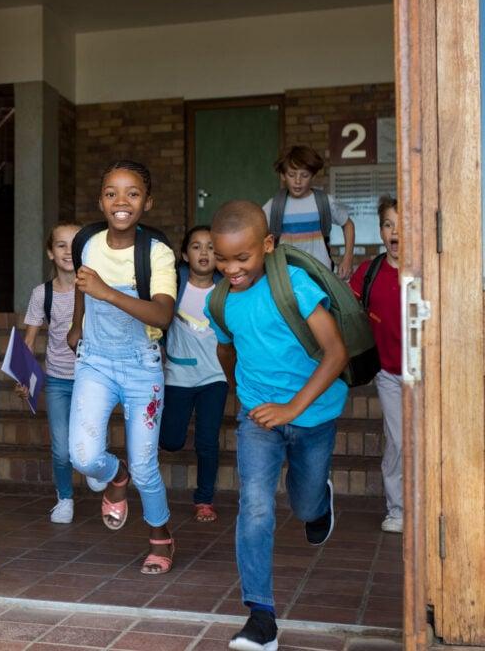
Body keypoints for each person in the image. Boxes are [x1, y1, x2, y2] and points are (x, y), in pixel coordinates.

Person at [205, 200, 349, 651]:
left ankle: (318, 504)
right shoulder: (220, 302)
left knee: (303, 507)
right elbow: (226, 352)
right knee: (256, 508)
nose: (231, 268)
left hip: (314, 416)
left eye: (242, 258)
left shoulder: (296, 287)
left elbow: (336, 353)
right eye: (221, 258)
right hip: (258, 422)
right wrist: (246, 397)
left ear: (267, 245)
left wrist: (290, 409)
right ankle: (261, 617)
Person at [66, 160, 177, 575]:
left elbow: (162, 316)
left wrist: (106, 292)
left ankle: (160, 535)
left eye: (132, 193)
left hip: (140, 367)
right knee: (82, 455)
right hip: (94, 360)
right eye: (111, 193)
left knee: (147, 465)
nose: (121, 201)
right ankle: (116, 475)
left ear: (147, 202)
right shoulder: (88, 241)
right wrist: (77, 324)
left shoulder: (157, 252)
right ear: (100, 201)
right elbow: (82, 285)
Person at [160, 225, 228, 523]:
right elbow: (157, 321)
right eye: (197, 246)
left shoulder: (226, 289)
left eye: (211, 247)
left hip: (215, 376)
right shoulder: (173, 285)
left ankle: (204, 500)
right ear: (184, 254)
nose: (204, 252)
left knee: (207, 440)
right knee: (171, 441)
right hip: (178, 374)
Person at [18, 222, 81, 523]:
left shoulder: (95, 290)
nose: (69, 251)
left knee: (86, 442)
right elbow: (28, 341)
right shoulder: (42, 294)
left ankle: (99, 469)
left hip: (92, 379)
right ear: (50, 253)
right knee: (61, 448)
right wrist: (24, 378)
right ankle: (65, 498)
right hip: (56, 379)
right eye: (61, 245)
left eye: (75, 244)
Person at [349, 195, 403, 533]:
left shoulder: (432, 268)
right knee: (398, 440)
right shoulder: (369, 273)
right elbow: (347, 310)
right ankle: (398, 509)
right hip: (389, 373)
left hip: (430, 372)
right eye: (388, 224)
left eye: (403, 224)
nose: (395, 232)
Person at [263, 145, 356, 278]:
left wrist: (348, 258)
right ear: (283, 175)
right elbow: (256, 232)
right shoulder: (274, 205)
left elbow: (348, 225)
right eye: (291, 174)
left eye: (304, 175)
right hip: (287, 277)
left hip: (321, 276)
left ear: (313, 176)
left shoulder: (324, 202)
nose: (297, 181)